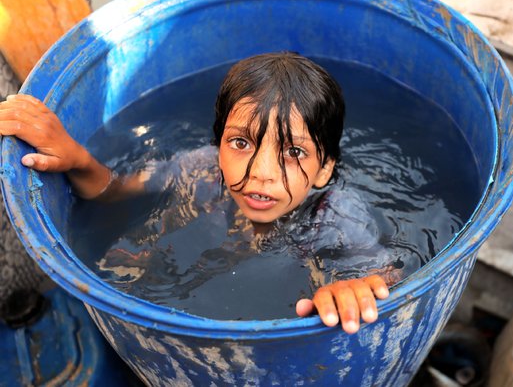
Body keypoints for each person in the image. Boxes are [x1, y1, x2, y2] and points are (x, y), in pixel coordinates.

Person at [0, 52, 397, 334]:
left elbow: (384, 276)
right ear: (217, 144)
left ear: (325, 168)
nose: (260, 174)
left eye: (294, 152)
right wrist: (76, 159)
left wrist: (352, 288)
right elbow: (114, 191)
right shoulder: (199, 168)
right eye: (241, 143)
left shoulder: (336, 218)